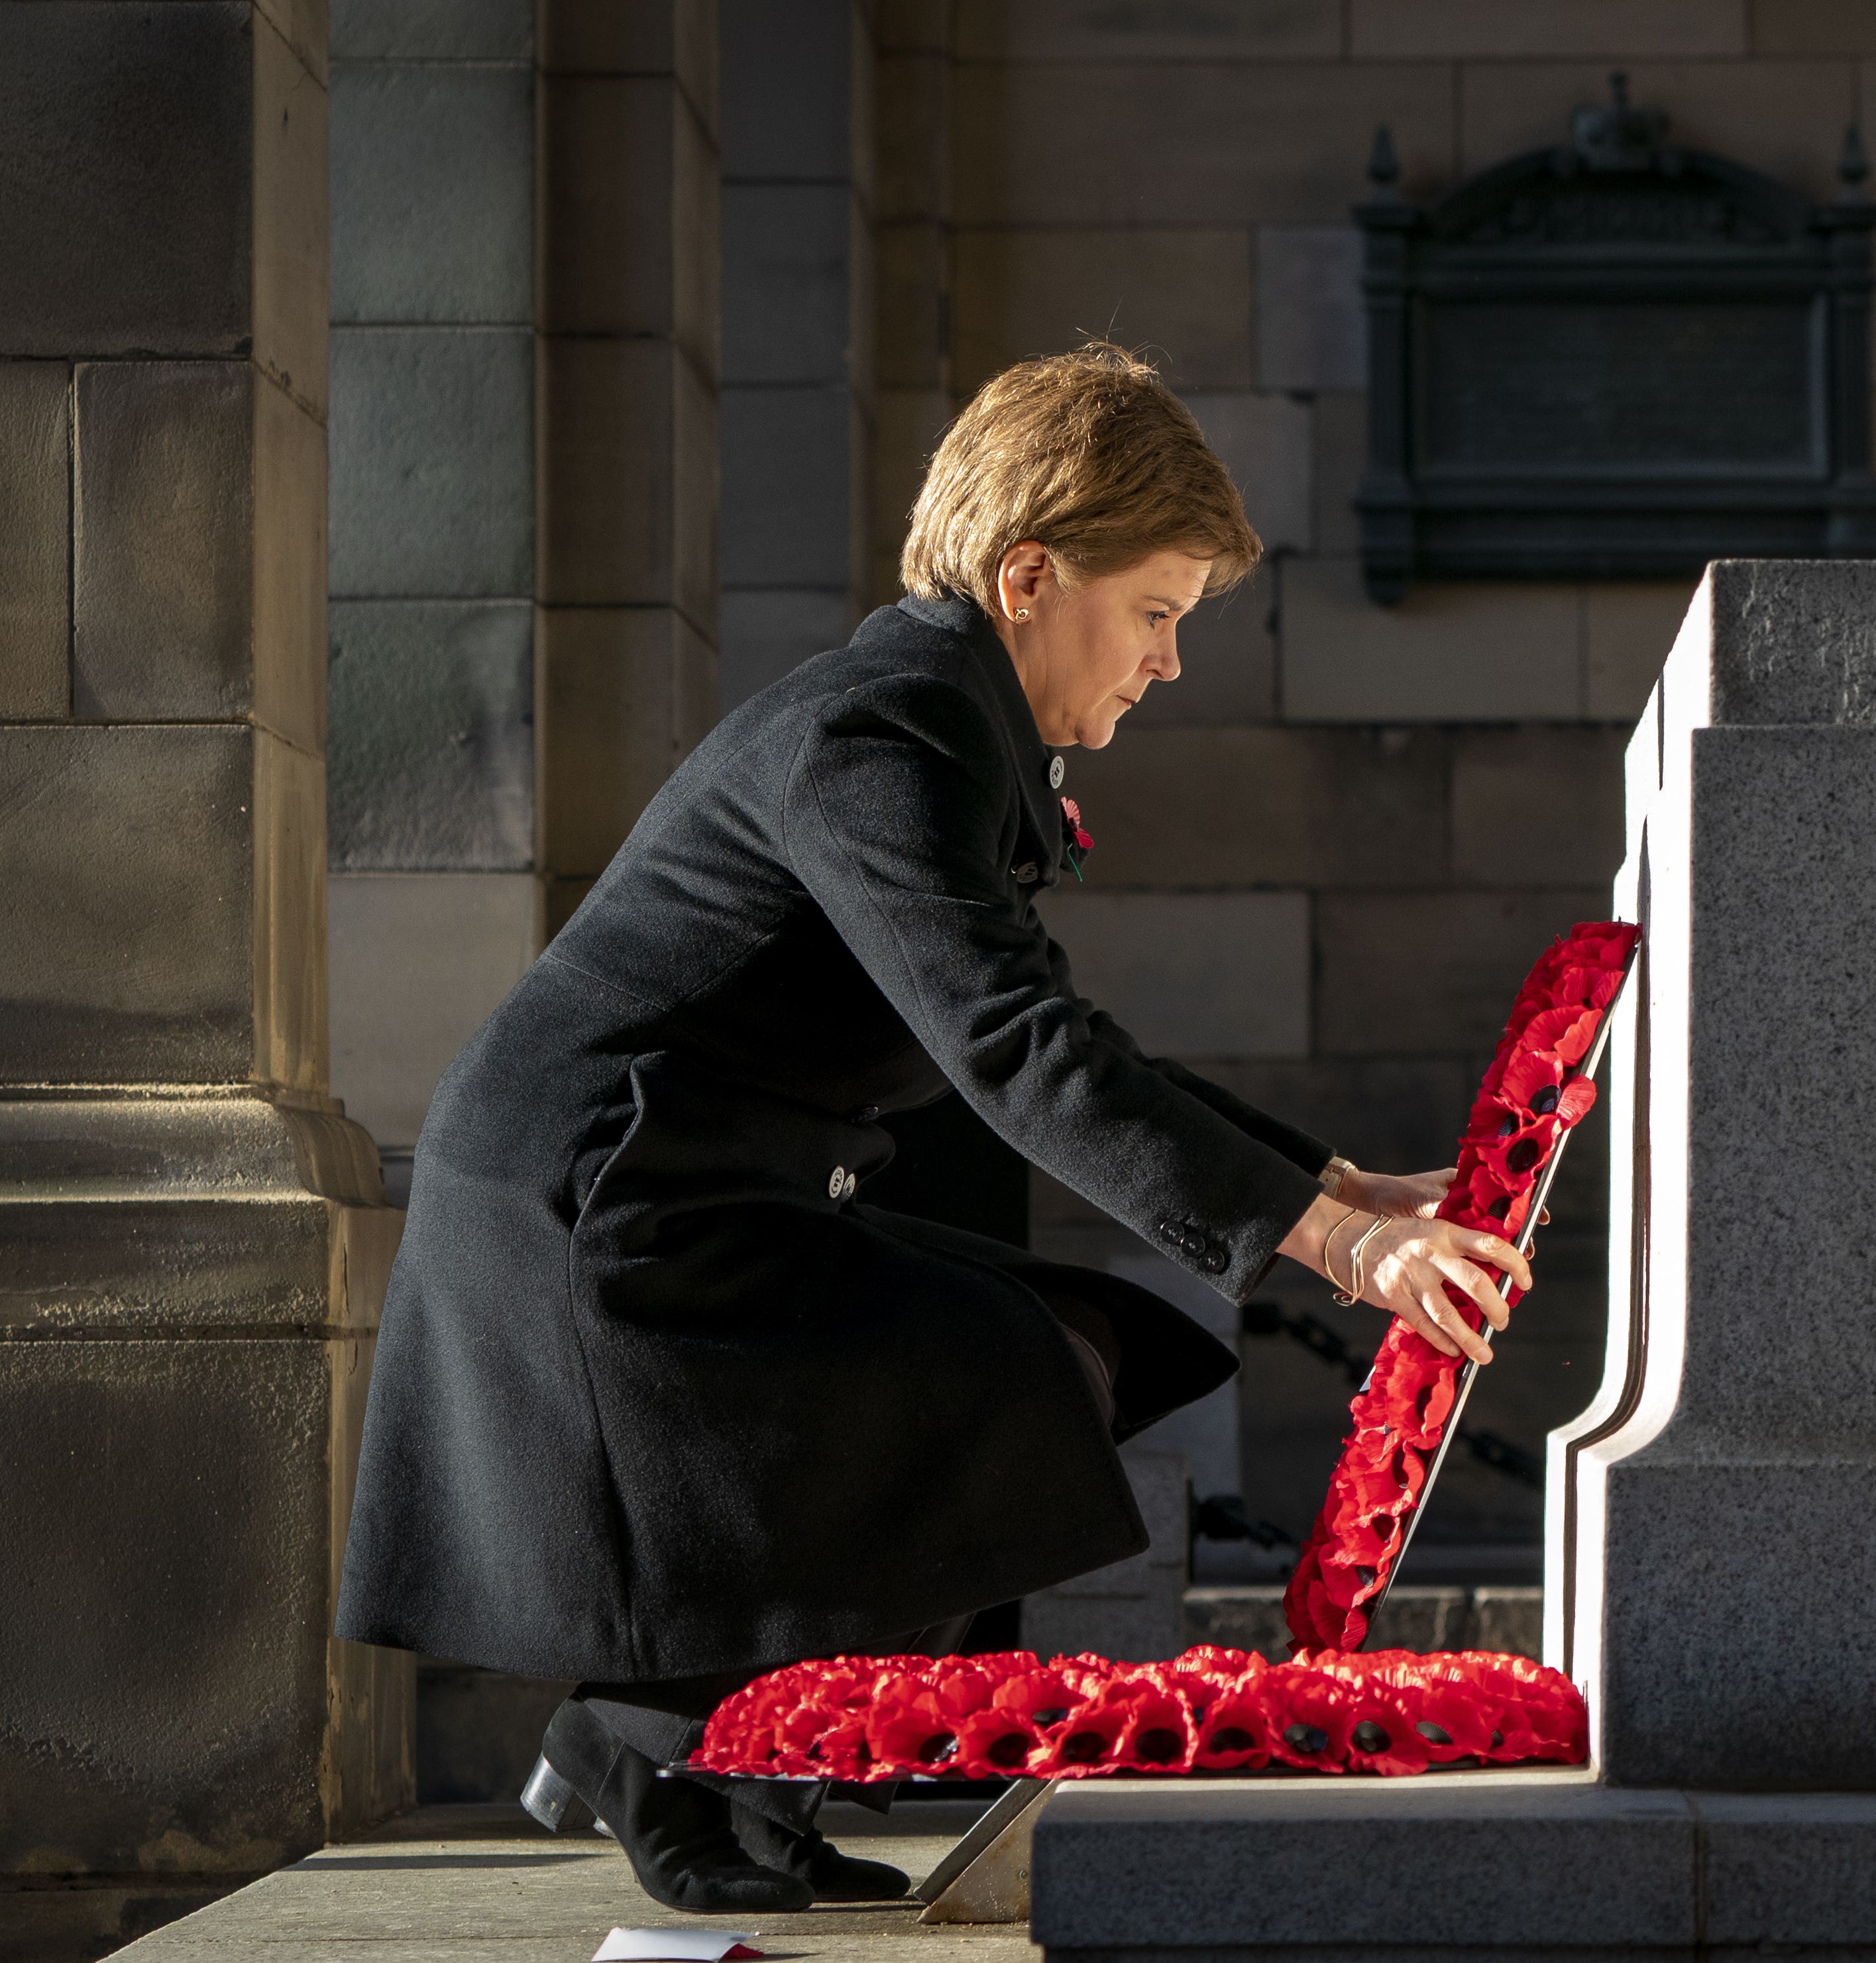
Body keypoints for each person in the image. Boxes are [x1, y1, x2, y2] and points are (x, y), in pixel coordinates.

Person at [333, 343, 1531, 1913]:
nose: (1168, 664)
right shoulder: (887, 731)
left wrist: (1325, 1181)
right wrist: (1343, 1246)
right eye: (1157, 613)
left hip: (697, 1189)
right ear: (1029, 576)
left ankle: (749, 1772)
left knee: (1046, 1344)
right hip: (601, 1213)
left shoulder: (939, 721)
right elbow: (1011, 1045)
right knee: (999, 1369)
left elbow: (1047, 1022)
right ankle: (645, 1739)